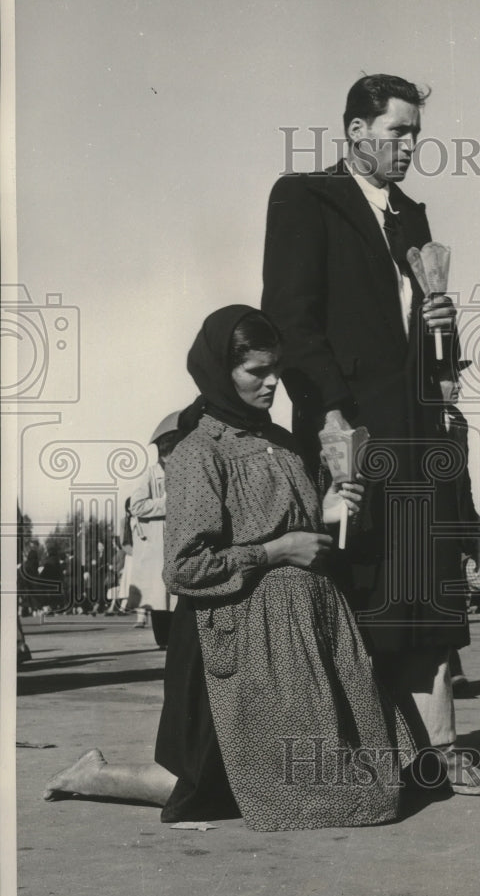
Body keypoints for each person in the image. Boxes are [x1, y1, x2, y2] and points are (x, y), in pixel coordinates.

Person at [44, 306, 418, 829]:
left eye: (276, 369)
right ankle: (88, 775)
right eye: (256, 371)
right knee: (205, 787)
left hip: (305, 643)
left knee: (358, 783)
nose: (271, 384)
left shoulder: (283, 443)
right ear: (222, 370)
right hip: (236, 644)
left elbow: (294, 526)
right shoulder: (200, 452)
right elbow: (183, 568)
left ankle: (99, 775)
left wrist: (330, 503)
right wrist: (274, 552)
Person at [262, 74, 480, 795]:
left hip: (417, 430)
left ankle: (443, 753)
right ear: (356, 131)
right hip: (349, 429)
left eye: (416, 135)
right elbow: (291, 320)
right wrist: (333, 418)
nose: (409, 147)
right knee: (358, 586)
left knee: (426, 589)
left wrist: (442, 329)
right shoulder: (305, 197)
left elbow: (432, 340)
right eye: (398, 132)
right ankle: (360, 753)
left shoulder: (411, 215)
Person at [439, 357, 480, 693]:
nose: (459, 385)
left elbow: (464, 479)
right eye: (450, 379)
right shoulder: (415, 417)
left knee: (452, 596)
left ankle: (452, 666)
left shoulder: (457, 420)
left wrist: (473, 531)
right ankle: (447, 667)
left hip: (454, 517)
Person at [127, 413, 182, 648]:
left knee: (177, 594)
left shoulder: (184, 473)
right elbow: (135, 505)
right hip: (157, 544)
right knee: (160, 596)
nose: (170, 453)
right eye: (167, 448)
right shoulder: (150, 474)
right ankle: (164, 640)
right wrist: (167, 503)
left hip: (178, 539)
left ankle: (176, 640)